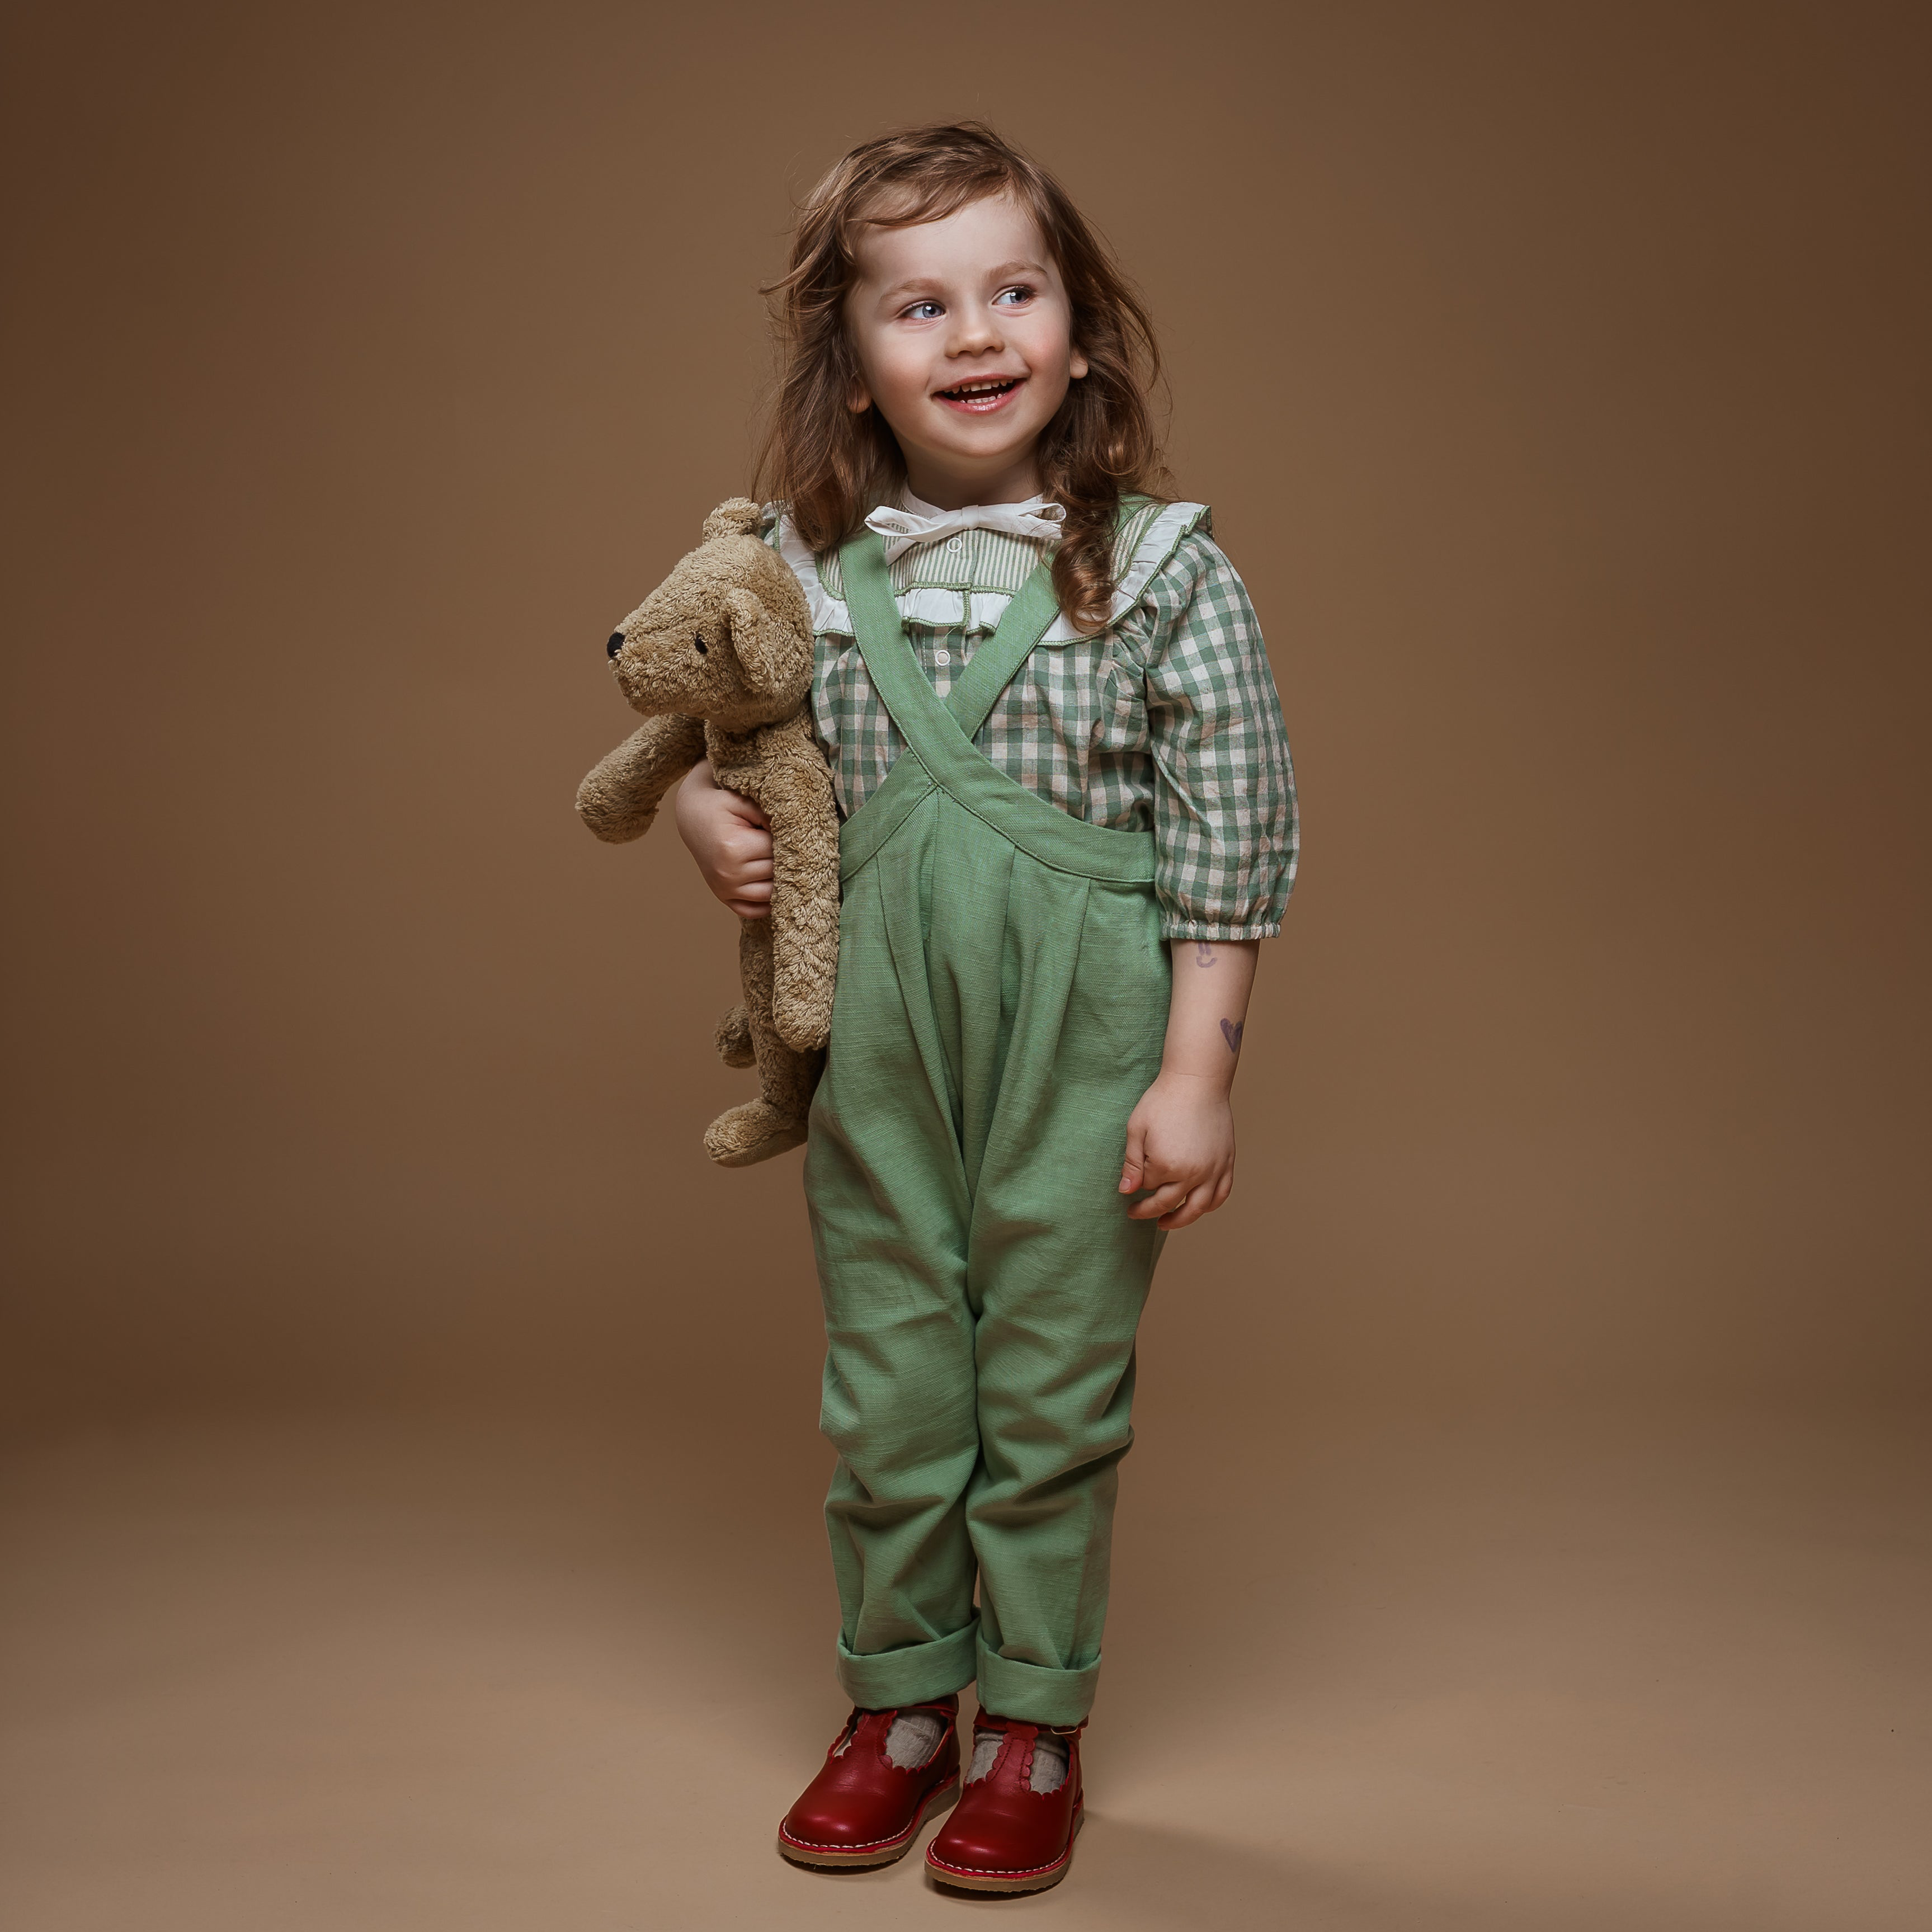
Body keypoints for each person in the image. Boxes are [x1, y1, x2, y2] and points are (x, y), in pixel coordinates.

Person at [672, 122, 1297, 1895]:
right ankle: (898, 1702)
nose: (973, 334)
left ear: (1079, 328)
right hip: (873, 1039)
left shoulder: (1161, 570)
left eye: (1012, 292)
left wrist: (1195, 1074)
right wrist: (706, 815)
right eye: (919, 304)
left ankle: (1032, 1717)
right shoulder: (795, 572)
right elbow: (726, 745)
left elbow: (1232, 834)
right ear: (852, 360)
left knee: (1049, 1376)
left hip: (1084, 1040)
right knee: (891, 1371)